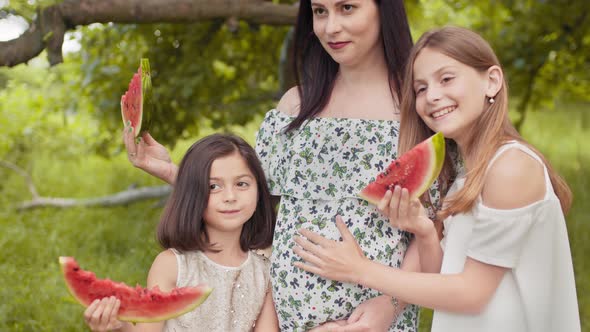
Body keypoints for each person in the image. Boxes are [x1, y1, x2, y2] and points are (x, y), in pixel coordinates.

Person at [123, 0, 435, 330]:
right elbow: (246, 196)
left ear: (383, 11)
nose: (330, 27)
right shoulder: (296, 104)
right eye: (319, 11)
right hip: (283, 321)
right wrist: (177, 174)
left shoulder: (419, 105)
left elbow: (434, 226)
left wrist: (391, 304)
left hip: (373, 321)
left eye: (347, 8)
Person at [292, 26, 581, 332]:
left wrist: (360, 269)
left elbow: (472, 294)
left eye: (446, 79)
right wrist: (425, 232)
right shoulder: (466, 173)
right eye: (421, 88)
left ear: (492, 81)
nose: (432, 96)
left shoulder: (510, 166)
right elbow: (444, 280)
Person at [84, 133, 279, 332]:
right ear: (193, 194)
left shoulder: (265, 270)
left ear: (259, 191)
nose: (230, 196)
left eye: (242, 184)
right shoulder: (173, 264)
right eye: (213, 186)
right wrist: (119, 327)